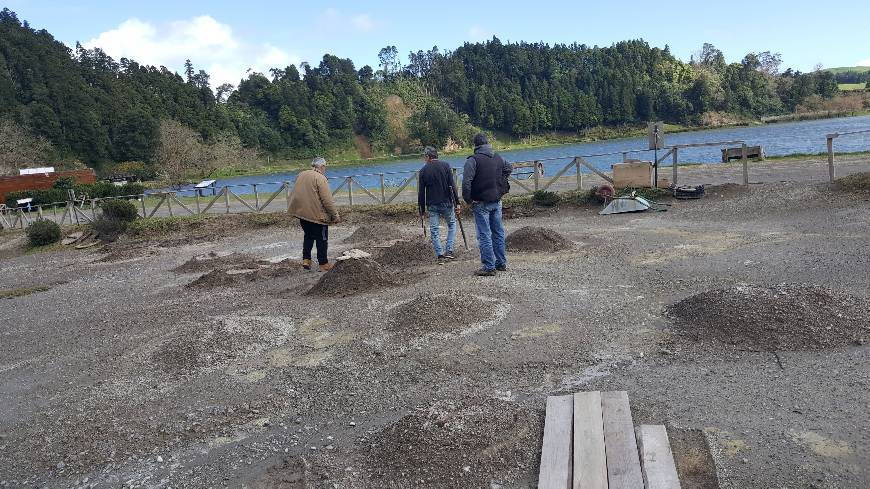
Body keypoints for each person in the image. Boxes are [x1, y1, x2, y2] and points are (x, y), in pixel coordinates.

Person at [462, 133, 512, 276]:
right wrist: (500, 180)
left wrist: (468, 200)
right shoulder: (497, 157)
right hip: (497, 200)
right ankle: (501, 263)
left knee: (484, 234)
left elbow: (466, 183)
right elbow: (509, 168)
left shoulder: (472, 160)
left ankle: (489, 267)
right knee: (498, 232)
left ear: (475, 145)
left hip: (481, 202)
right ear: (487, 143)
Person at [288, 157, 340, 272]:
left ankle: (306, 260)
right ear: (322, 167)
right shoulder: (320, 178)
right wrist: (335, 215)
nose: (325, 169)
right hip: (317, 215)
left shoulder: (301, 174)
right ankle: (323, 264)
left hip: (301, 212)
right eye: (325, 167)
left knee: (308, 236)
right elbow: (327, 200)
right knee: (322, 239)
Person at [418, 146, 461, 262]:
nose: (424, 159)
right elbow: (452, 186)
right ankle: (449, 250)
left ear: (428, 157)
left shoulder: (423, 171)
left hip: (432, 204)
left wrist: (421, 210)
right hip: (447, 202)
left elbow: (421, 192)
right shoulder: (446, 166)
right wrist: (457, 202)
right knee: (452, 225)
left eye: (424, 156)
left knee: (434, 230)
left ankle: (440, 255)